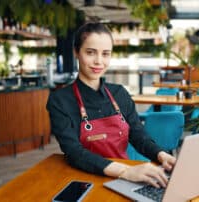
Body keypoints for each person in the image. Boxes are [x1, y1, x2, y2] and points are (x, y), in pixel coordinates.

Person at [46, 22, 176, 188]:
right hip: (85, 181)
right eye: (90, 53)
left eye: (105, 54)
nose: (98, 61)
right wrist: (124, 171)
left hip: (127, 181)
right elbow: (74, 153)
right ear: (76, 52)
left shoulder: (119, 94)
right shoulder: (60, 100)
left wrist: (161, 155)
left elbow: (138, 136)